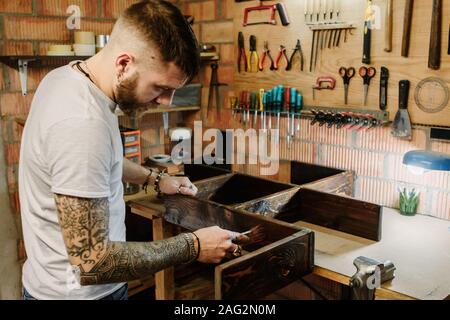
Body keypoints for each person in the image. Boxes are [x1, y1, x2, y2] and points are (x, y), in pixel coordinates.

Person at [18, 0, 242, 300]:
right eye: (161, 88)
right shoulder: (81, 123)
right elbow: (92, 263)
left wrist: (156, 179)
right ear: (124, 64)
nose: (167, 102)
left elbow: (101, 161)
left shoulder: (70, 79)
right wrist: (193, 246)